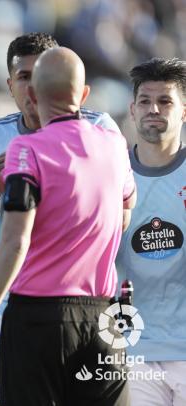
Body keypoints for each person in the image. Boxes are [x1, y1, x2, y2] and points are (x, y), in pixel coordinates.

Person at [0, 33, 121, 406]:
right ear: (11, 86)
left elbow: (17, 239)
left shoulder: (100, 129)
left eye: (39, 74)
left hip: (51, 304)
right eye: (24, 76)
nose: (32, 85)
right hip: (20, 299)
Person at [115, 57, 186, 406]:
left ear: (184, 111)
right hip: (134, 350)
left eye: (166, 101)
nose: (153, 109)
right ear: (132, 109)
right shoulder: (110, 174)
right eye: (145, 101)